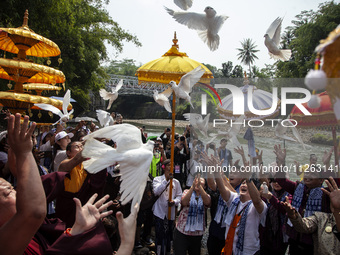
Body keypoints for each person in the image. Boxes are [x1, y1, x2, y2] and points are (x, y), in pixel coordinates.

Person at [273, 144, 332, 254]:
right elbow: (281, 180)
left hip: (314, 242)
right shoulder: (297, 188)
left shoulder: (326, 194)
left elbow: (336, 184)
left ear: (321, 180)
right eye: (307, 173)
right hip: (294, 237)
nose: (308, 175)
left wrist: (327, 164)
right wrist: (281, 162)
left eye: (313, 174)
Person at [211, 155, 267, 255]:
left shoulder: (257, 207)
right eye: (243, 183)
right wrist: (216, 172)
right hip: (230, 248)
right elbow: (223, 191)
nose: (244, 185)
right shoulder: (235, 199)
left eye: (247, 183)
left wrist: (248, 179)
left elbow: (257, 201)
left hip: (248, 252)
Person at [282, 177, 340, 255]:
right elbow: (303, 226)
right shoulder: (321, 217)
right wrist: (293, 216)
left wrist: (337, 211)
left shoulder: (324, 194)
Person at [173, 174, 211, 255]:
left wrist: (200, 189)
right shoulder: (187, 192)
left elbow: (207, 202)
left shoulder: (206, 196)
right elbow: (184, 202)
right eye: (197, 181)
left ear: (204, 186)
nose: (198, 183)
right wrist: (192, 188)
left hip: (196, 234)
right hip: (182, 231)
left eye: (201, 183)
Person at [152, 159, 182, 255]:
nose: (171, 167)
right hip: (159, 212)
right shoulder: (157, 179)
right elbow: (156, 191)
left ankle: (168, 252)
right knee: (159, 235)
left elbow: (179, 196)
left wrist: (174, 202)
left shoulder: (176, 182)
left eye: (172, 165)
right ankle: (158, 252)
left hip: (171, 212)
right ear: (164, 167)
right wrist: (166, 181)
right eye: (169, 165)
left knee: (169, 235)